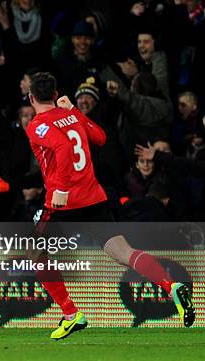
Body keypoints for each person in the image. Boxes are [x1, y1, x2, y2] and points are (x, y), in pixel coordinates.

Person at [25, 72, 194, 339]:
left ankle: (71, 314)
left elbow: (62, 148)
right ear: (56, 95)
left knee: (36, 254)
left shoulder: (36, 124)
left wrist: (62, 190)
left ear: (31, 97)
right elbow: (101, 138)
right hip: (94, 198)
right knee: (124, 252)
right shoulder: (72, 116)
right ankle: (171, 286)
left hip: (64, 203)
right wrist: (76, 113)